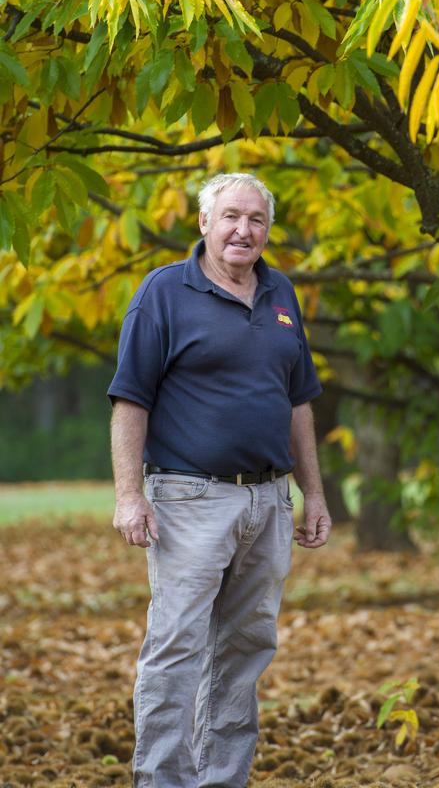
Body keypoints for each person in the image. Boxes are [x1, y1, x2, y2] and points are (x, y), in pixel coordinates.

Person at [108, 172, 330, 788]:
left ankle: (221, 779)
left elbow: (299, 401)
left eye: (256, 220)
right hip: (188, 497)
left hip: (268, 500)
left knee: (246, 649)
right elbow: (130, 400)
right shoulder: (164, 293)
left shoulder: (282, 292)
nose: (243, 230)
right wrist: (129, 495)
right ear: (204, 223)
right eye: (230, 216)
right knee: (177, 648)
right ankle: (161, 780)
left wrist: (313, 492)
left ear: (267, 230)